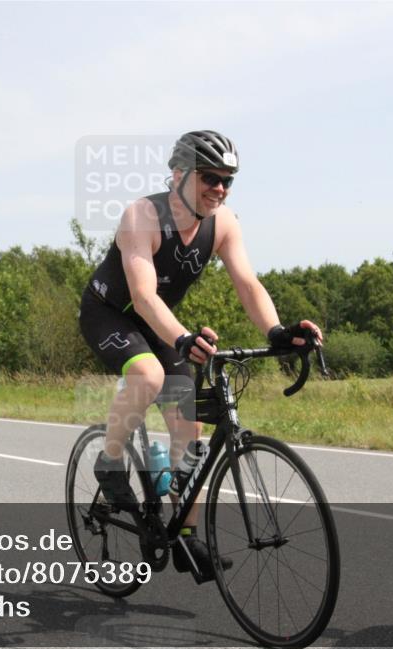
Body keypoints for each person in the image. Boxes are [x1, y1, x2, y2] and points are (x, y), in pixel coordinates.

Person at [78, 130, 323, 583]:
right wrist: (183, 337)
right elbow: (144, 295)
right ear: (178, 175)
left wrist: (276, 331)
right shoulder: (142, 216)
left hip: (160, 322)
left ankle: (186, 537)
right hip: (112, 313)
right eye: (210, 177)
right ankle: (110, 458)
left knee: (188, 429)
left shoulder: (224, 223)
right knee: (149, 377)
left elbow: (247, 283)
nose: (220, 188)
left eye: (228, 180)